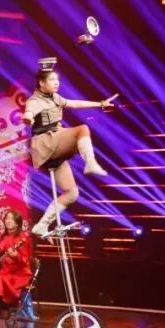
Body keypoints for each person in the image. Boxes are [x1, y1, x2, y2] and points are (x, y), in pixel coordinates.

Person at [23, 58, 118, 236]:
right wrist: (28, 117)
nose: (56, 83)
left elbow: (74, 103)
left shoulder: (54, 97)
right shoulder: (35, 100)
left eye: (57, 79)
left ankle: (42, 225)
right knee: (82, 129)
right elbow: (29, 112)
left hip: (54, 144)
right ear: (41, 83)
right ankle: (90, 163)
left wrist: (100, 104)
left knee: (72, 193)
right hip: (46, 142)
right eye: (52, 79)